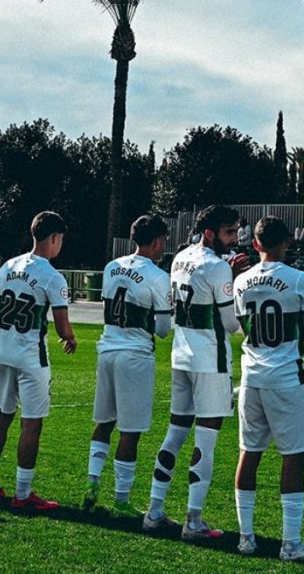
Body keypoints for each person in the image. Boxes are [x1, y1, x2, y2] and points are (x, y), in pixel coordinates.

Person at [231, 216, 304, 562]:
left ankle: (246, 538)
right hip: (286, 379)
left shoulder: (241, 281)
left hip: (251, 378)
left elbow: (243, 328)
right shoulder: (299, 279)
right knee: (294, 456)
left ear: (255, 243)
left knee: (249, 452)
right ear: (287, 241)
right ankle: (291, 544)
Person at [143, 205, 246, 540]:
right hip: (210, 360)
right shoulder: (219, 268)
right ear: (210, 233)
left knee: (175, 432)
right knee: (207, 439)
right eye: (229, 232)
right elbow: (231, 324)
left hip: (181, 356)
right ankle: (194, 520)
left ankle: (155, 511)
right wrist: (231, 278)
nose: (235, 239)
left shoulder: (180, 257)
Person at [0, 211, 76, 511]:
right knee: (31, 424)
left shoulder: (8, 265)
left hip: (4, 352)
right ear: (54, 238)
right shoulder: (52, 275)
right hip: (30, 356)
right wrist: (70, 339)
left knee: (2, 415)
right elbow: (62, 327)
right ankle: (22, 494)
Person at [82, 215, 172, 518]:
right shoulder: (158, 276)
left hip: (107, 349)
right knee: (130, 431)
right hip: (135, 354)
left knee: (104, 422)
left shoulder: (112, 266)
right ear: (157, 241)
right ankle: (121, 500)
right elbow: (162, 329)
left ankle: (92, 483)